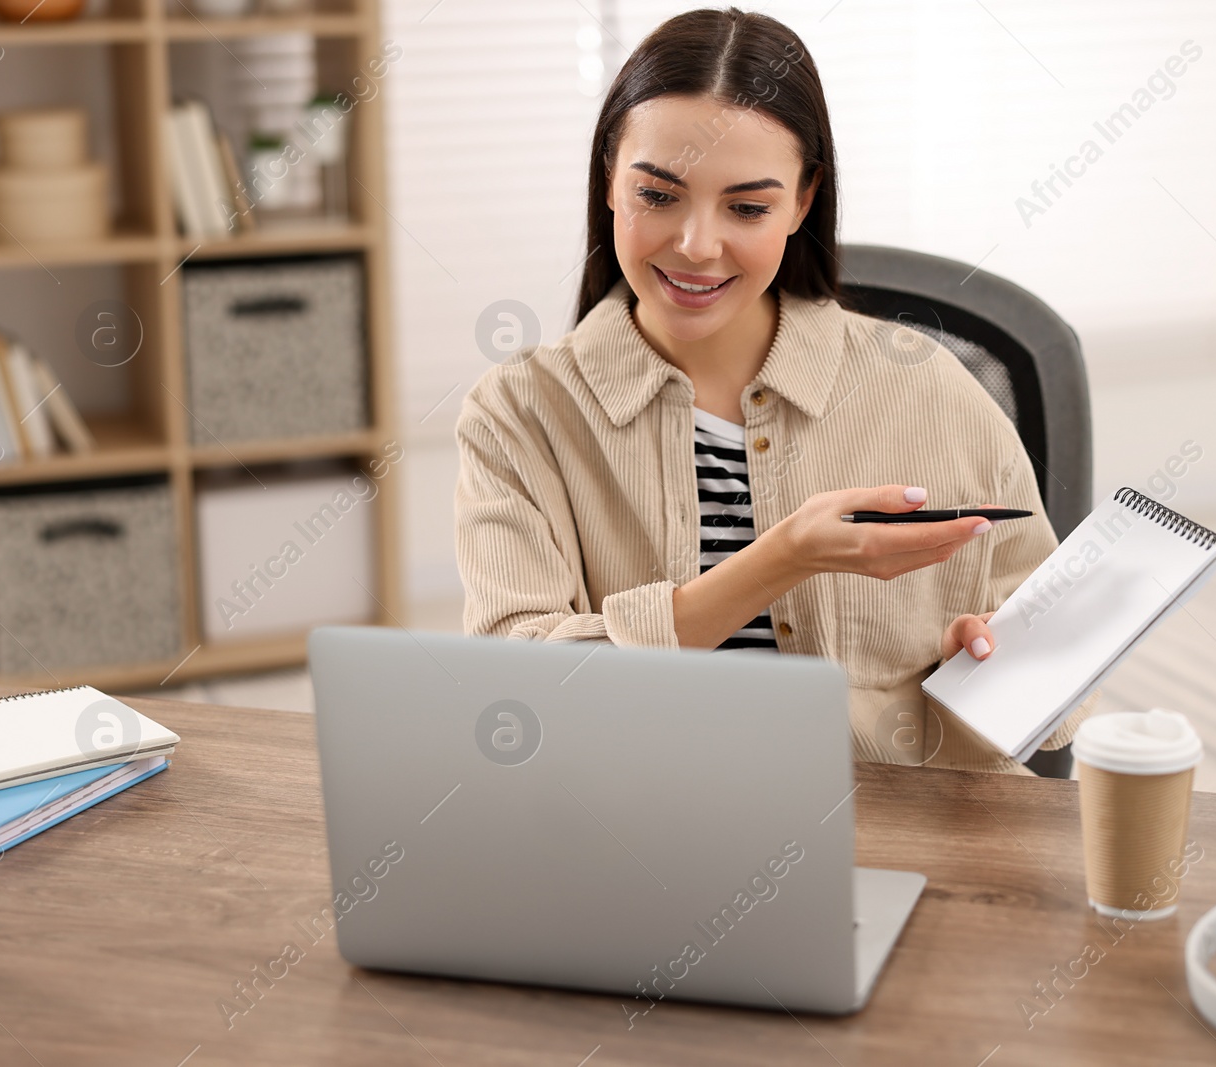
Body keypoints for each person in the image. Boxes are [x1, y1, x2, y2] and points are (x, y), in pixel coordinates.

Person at [454, 6, 1095, 774]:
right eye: (658, 195)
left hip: (894, 833)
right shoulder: (519, 412)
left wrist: (998, 668)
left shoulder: (930, 389)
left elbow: (1060, 684)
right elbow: (515, 683)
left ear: (803, 200)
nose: (696, 245)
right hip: (631, 823)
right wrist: (780, 559)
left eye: (748, 207)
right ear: (609, 184)